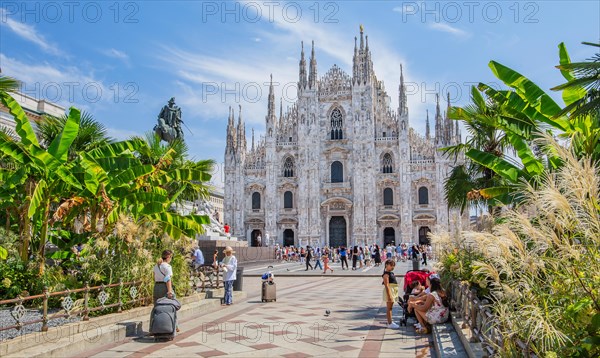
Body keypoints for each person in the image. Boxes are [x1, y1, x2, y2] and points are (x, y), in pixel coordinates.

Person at [382, 259, 399, 329]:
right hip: (390, 291)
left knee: (390, 307)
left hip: (393, 290)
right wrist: (389, 296)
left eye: (393, 266)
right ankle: (390, 322)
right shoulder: (386, 274)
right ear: (386, 265)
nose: (392, 267)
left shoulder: (390, 273)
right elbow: (387, 285)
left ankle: (390, 321)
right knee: (389, 308)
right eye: (391, 265)